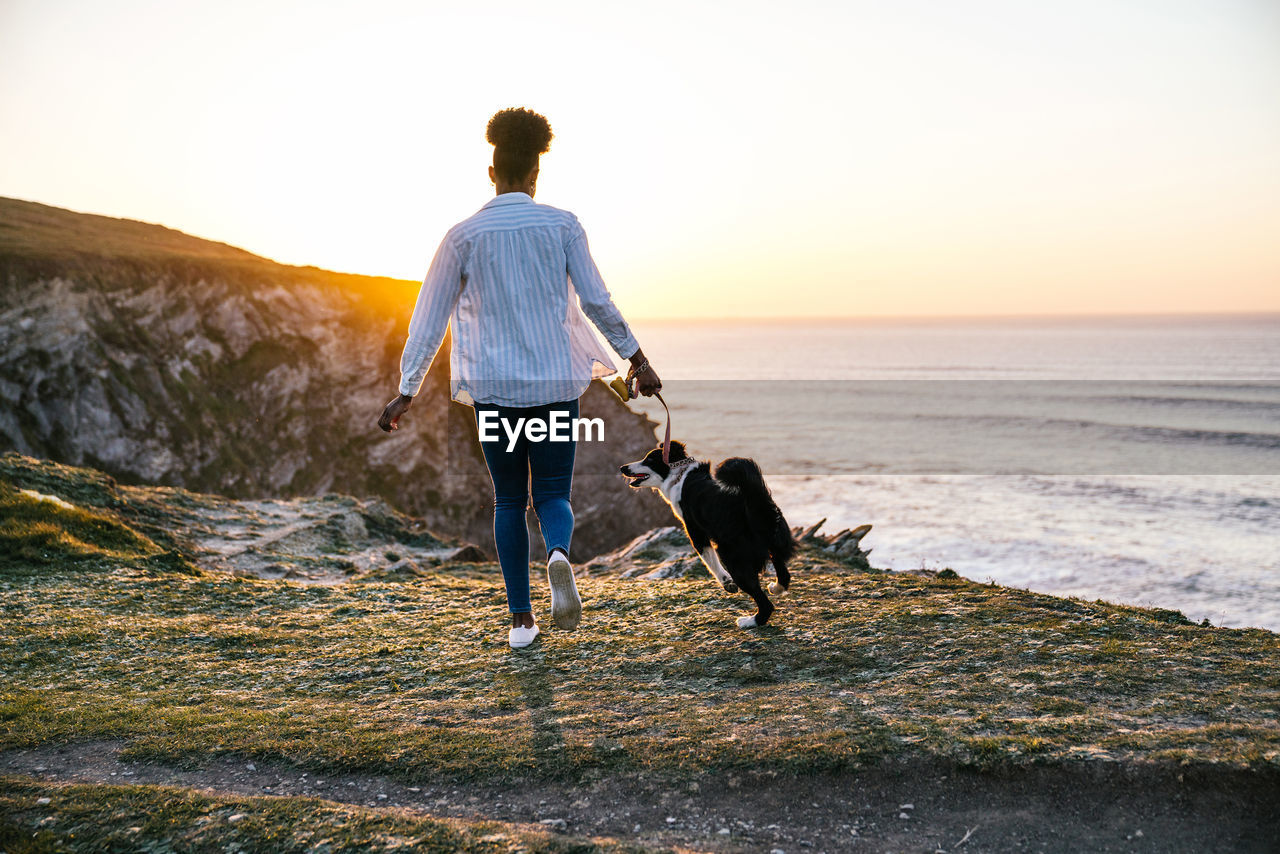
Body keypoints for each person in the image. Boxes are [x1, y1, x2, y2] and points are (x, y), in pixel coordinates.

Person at [378, 107, 661, 650]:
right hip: (554, 387)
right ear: (535, 174)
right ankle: (558, 554)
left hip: (496, 391)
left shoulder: (462, 236)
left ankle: (521, 621)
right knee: (553, 492)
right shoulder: (563, 225)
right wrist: (637, 359)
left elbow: (428, 316)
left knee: (507, 501)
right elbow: (598, 301)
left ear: (492, 173)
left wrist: (407, 389)